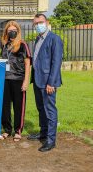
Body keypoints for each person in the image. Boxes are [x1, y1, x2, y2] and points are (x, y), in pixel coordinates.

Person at [27, 13, 63, 152]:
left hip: (48, 82)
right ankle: (43, 133)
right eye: (35, 24)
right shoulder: (38, 39)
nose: (38, 25)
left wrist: (51, 83)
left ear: (47, 22)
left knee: (50, 110)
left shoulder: (54, 39)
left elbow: (56, 62)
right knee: (41, 108)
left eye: (40, 22)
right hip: (37, 80)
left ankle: (51, 140)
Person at [0, 21, 31, 142]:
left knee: (19, 106)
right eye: (9, 30)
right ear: (6, 32)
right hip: (5, 79)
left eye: (14, 30)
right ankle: (7, 129)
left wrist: (26, 81)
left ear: (18, 31)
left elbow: (28, 62)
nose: (11, 32)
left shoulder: (23, 44)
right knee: (5, 107)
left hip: (18, 79)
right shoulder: (4, 44)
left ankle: (18, 130)